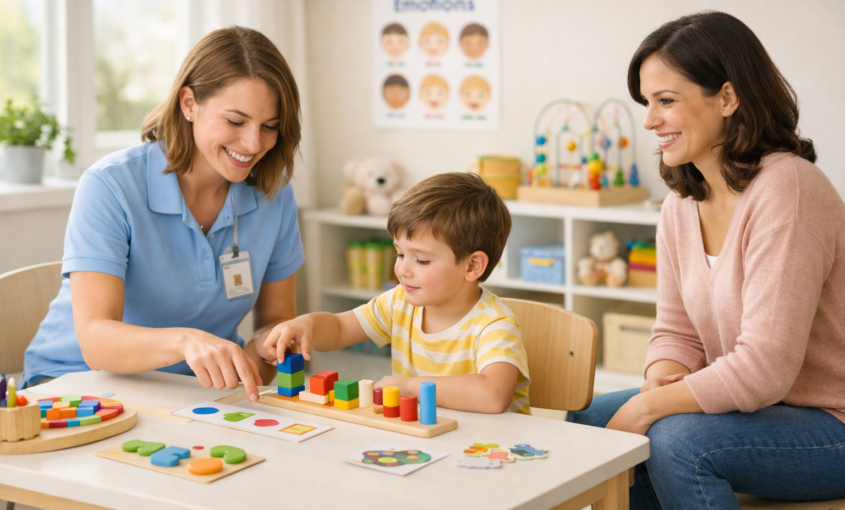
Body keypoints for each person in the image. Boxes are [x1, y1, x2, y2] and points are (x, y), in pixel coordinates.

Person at [573, 11, 845, 509]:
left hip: (831, 424)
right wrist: (659, 379)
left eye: (666, 101)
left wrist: (650, 407)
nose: (650, 120)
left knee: (679, 442)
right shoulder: (680, 205)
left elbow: (765, 367)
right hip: (758, 412)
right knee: (587, 421)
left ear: (726, 97)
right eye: (647, 103)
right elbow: (677, 331)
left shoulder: (790, 189)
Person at [22, 27, 305, 404]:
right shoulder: (110, 186)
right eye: (236, 122)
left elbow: (276, 321)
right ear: (189, 103)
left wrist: (270, 348)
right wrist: (186, 341)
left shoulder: (274, 191)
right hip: (74, 383)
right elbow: (95, 340)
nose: (254, 144)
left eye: (269, 127)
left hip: (187, 392)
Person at [259, 173, 530, 414]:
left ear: (472, 266)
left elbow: (493, 395)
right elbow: (340, 328)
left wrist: (410, 386)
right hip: (432, 438)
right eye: (399, 253)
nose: (402, 269)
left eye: (421, 260)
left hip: (492, 450)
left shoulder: (494, 324)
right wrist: (306, 325)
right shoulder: (400, 302)